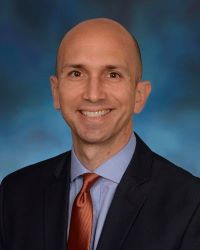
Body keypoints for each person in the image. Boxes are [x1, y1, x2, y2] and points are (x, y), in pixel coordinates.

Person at [0, 18, 200, 250]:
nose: (93, 95)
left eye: (112, 74)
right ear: (56, 91)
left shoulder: (191, 204)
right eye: (76, 73)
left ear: (139, 95)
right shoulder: (14, 194)